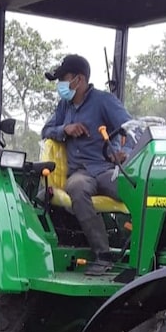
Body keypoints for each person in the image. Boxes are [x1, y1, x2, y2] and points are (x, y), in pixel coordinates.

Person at [41, 54, 132, 275]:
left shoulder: (104, 101)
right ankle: (103, 255)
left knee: (136, 189)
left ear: (79, 80)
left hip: (106, 169)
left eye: (64, 80)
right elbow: (46, 130)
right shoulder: (64, 107)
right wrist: (65, 129)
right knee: (77, 188)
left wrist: (125, 154)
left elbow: (131, 129)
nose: (61, 86)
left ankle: (140, 251)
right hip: (80, 172)